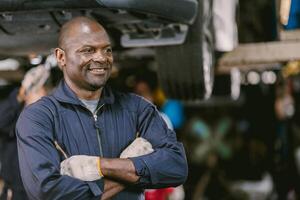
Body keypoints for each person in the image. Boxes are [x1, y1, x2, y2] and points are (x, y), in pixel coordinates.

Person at [16, 16, 188, 200]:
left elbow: (176, 167)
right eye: (88, 50)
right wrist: (130, 169)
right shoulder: (38, 117)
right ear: (61, 57)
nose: (101, 57)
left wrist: (97, 166)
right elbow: (47, 191)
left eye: (107, 50)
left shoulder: (138, 109)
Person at [0, 65, 50, 200]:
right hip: (14, 192)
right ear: (26, 101)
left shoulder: (49, 126)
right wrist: (20, 94)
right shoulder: (13, 123)